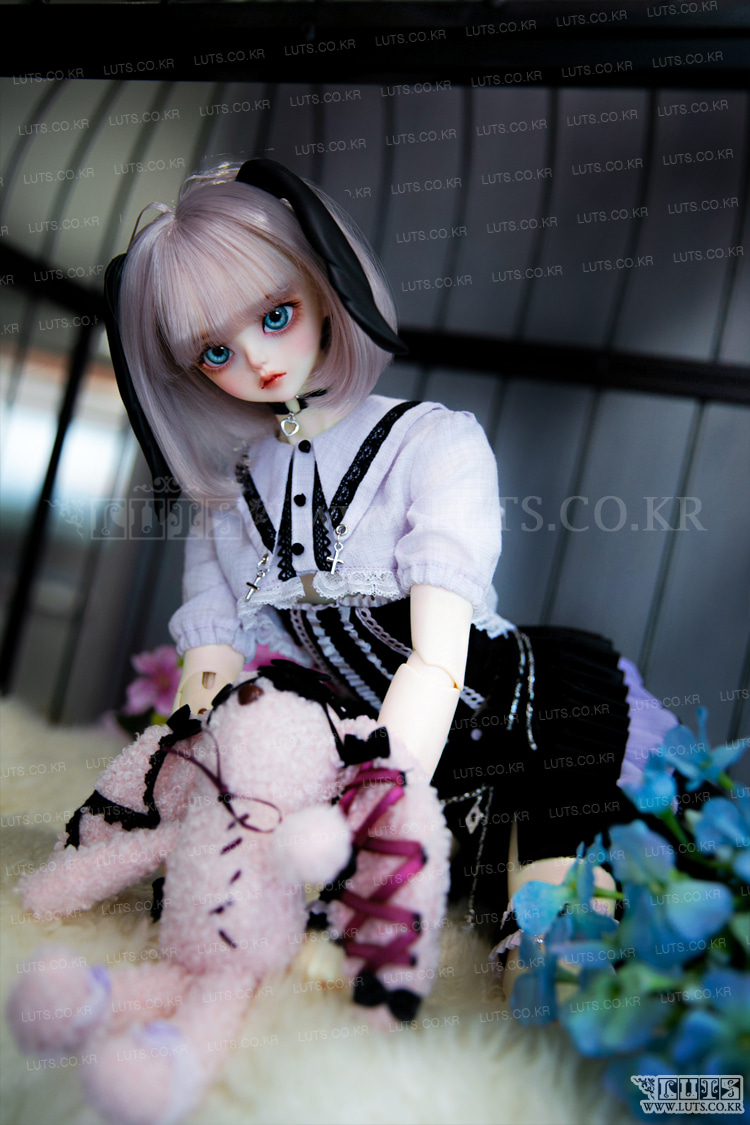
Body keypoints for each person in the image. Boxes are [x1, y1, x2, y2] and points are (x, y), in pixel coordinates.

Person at [104, 159, 676, 942]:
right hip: (366, 736)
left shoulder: (432, 444)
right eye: (215, 352)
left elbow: (439, 661)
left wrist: (380, 800)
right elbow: (209, 675)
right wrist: (189, 797)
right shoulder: (227, 498)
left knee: (554, 904)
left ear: (325, 287)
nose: (258, 359)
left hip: (510, 711)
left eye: (275, 315)